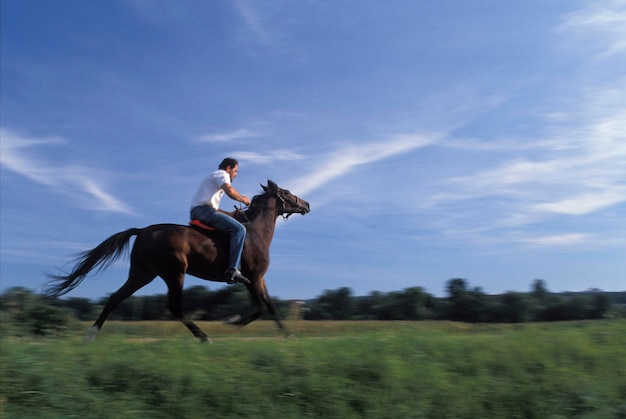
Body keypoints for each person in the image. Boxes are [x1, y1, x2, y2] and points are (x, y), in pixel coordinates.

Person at [190, 157, 251, 284]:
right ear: (228, 168)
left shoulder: (214, 178)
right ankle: (233, 269)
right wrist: (243, 199)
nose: (236, 174)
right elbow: (230, 191)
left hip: (201, 211)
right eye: (235, 171)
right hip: (203, 211)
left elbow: (215, 209)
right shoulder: (222, 174)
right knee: (239, 229)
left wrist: (230, 214)